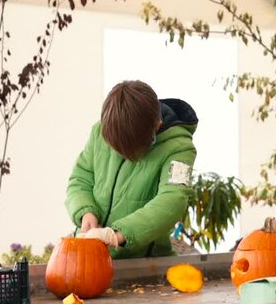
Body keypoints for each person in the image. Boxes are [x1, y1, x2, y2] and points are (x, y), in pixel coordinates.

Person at [66, 80, 198, 258]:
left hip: (144, 263)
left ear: (157, 125)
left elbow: (173, 200)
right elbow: (80, 179)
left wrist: (119, 235)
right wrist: (85, 212)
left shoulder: (180, 149)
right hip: (87, 256)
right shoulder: (100, 132)